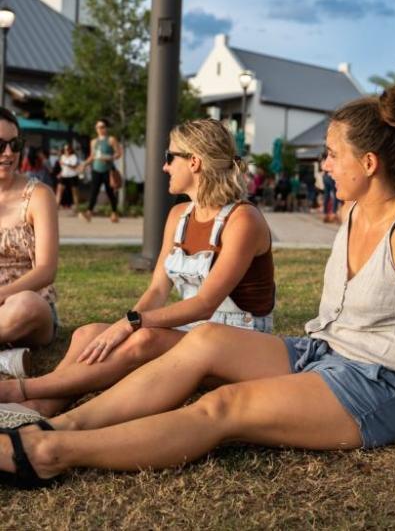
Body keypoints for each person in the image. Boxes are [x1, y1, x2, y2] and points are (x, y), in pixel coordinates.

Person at [2, 85, 395, 489]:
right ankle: (57, 424)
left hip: (377, 385)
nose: (326, 165)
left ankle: (49, 450)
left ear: (369, 164)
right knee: (204, 339)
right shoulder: (353, 211)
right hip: (322, 352)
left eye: (333, 155)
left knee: (224, 406)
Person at [0, 118, 275, 420]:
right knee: (87, 334)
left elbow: (205, 304)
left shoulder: (243, 220)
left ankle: (22, 391)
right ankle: (41, 408)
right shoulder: (178, 215)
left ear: (194, 162)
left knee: (145, 338)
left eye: (169, 157)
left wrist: (133, 323)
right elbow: (158, 289)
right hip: (198, 331)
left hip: (240, 339)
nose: (164, 167)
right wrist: (123, 326)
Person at [0, 108, 58, 381]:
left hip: (26, 302)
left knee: (26, 306)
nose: (9, 153)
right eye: (0, 145)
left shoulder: (38, 195)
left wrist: (2, 294)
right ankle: (5, 360)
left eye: (15, 144)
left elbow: (46, 270)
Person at [80, 119, 122, 223]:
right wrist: (84, 164)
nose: (100, 129)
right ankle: (89, 212)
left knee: (110, 192)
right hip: (96, 169)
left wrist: (108, 157)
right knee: (94, 191)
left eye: (102, 126)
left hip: (108, 170)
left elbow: (119, 153)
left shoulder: (111, 140)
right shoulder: (94, 142)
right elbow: (92, 156)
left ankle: (114, 213)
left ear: (106, 128)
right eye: (98, 127)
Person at [56, 144, 80, 213]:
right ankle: (56, 207)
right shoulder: (62, 157)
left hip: (72, 176)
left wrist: (65, 164)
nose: (66, 151)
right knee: (59, 191)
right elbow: (63, 168)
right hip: (64, 176)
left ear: (71, 150)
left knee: (74, 192)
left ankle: (77, 208)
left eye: (68, 149)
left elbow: (74, 166)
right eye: (65, 149)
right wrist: (60, 173)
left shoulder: (73, 157)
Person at [320, 152, 340, 223]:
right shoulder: (330, 160)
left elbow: (322, 169)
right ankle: (334, 212)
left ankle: (325, 213)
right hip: (330, 176)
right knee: (335, 194)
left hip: (324, 177)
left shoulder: (322, 161)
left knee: (327, 195)